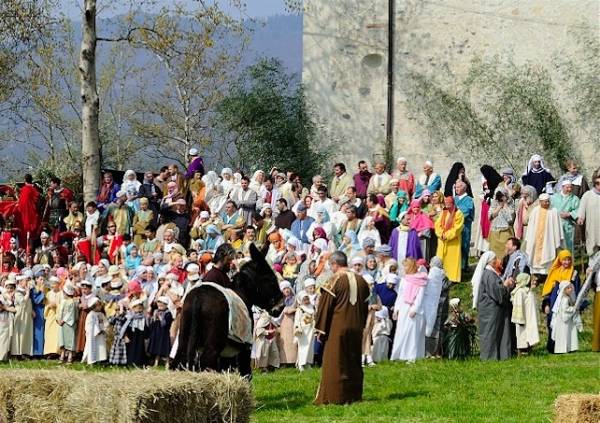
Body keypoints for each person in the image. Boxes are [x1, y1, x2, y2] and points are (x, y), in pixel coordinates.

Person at [314, 251, 370, 405]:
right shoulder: (362, 281)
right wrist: (361, 324)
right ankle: (353, 395)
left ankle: (334, 397)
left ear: (334, 264)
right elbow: (365, 306)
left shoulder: (334, 279)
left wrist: (320, 329)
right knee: (353, 360)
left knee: (335, 361)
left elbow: (325, 307)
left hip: (337, 328)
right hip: (357, 327)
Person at [472, 252, 514, 360]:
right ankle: (489, 357)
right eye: (495, 258)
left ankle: (499, 355)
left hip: (494, 310)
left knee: (496, 332)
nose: (497, 260)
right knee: (490, 333)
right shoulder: (489, 275)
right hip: (490, 310)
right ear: (491, 261)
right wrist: (506, 285)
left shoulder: (491, 274)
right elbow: (497, 293)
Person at [390, 258, 428, 362]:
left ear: (411, 266)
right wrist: (396, 309)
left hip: (414, 309)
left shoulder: (421, 279)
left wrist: (415, 309)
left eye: (406, 266)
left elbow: (420, 296)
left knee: (412, 332)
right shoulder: (404, 279)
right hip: (404, 307)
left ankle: (411, 356)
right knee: (402, 331)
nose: (404, 268)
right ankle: (399, 355)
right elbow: (400, 295)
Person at [524, 193, 563, 275]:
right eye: (545, 202)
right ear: (540, 202)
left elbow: (557, 226)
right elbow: (531, 226)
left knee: (548, 253)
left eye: (548, 201)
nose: (547, 203)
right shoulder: (535, 211)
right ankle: (535, 276)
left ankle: (548, 275)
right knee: (534, 254)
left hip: (549, 238)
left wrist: (558, 238)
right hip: (536, 239)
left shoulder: (553, 211)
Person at [434, 197, 464, 283]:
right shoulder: (444, 212)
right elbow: (437, 224)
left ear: (453, 204)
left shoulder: (458, 213)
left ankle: (452, 278)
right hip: (442, 240)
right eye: (446, 204)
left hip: (452, 241)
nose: (447, 206)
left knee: (452, 260)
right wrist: (440, 234)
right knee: (441, 259)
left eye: (449, 204)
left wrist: (447, 235)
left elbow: (457, 228)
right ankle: (440, 276)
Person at [510, 273, 539, 354]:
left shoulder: (526, 291)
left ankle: (529, 348)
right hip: (522, 318)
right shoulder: (519, 292)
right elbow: (518, 305)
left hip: (528, 316)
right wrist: (519, 318)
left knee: (528, 333)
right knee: (521, 335)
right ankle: (521, 350)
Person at [550, 281, 581, 354]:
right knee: (564, 334)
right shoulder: (564, 299)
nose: (570, 289)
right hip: (563, 321)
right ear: (564, 289)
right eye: (568, 288)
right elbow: (565, 309)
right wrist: (573, 308)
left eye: (571, 288)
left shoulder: (567, 297)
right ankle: (562, 348)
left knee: (568, 333)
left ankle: (569, 347)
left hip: (566, 320)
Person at [551, 180, 580, 255]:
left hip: (568, 225)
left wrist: (569, 214)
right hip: (556, 224)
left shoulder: (575, 199)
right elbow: (550, 209)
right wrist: (557, 214)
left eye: (571, 187)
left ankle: (569, 264)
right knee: (557, 245)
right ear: (562, 187)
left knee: (568, 245)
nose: (569, 189)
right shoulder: (554, 197)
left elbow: (578, 210)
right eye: (567, 187)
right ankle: (557, 264)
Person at [487, 189, 515, 261]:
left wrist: (505, 204)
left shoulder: (510, 204)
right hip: (495, 232)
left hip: (505, 232)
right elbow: (490, 217)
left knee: (506, 253)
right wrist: (499, 207)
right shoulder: (494, 204)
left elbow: (510, 219)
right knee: (494, 254)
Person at [577, 174, 600, 256]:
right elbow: (582, 208)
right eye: (597, 183)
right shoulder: (588, 195)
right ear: (594, 184)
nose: (599, 185)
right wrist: (580, 218)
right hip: (592, 227)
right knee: (593, 249)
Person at [454, 181, 475, 271]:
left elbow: (466, 211)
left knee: (464, 244)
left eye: (458, 187)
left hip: (464, 226)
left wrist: (456, 213)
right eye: (456, 187)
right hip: (454, 226)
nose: (456, 189)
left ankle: (463, 266)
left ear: (464, 188)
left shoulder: (468, 199)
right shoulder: (455, 198)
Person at [147, 296, 173, 366]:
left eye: (162, 304)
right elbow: (152, 323)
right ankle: (156, 363)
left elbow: (165, 324)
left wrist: (160, 317)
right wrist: (153, 318)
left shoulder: (168, 313)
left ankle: (167, 364)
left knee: (165, 348)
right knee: (157, 347)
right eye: (159, 303)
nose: (160, 305)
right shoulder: (156, 311)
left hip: (164, 333)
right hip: (156, 332)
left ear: (166, 304)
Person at [293, 291, 315, 371]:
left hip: (311, 330)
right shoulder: (300, 309)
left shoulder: (312, 307)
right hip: (303, 331)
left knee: (310, 348)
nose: (306, 301)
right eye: (304, 299)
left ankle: (308, 363)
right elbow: (297, 320)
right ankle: (301, 364)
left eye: (307, 299)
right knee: (303, 347)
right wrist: (297, 328)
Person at [17, 174, 41, 246]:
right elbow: (37, 198)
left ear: (25, 180)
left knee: (27, 231)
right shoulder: (34, 189)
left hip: (26, 213)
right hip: (32, 212)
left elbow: (21, 203)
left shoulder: (24, 189)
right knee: (31, 231)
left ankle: (29, 248)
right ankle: (30, 248)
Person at [82, 297, 107, 365]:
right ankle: (92, 360)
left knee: (101, 347)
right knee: (92, 347)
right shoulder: (91, 315)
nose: (100, 307)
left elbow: (105, 322)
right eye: (98, 305)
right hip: (93, 335)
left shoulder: (101, 314)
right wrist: (97, 331)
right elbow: (89, 326)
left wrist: (104, 329)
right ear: (94, 306)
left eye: (100, 305)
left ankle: (101, 360)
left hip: (101, 334)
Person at [57, 283, 78, 363]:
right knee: (62, 339)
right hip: (62, 323)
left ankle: (70, 356)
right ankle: (62, 354)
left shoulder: (72, 302)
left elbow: (70, 313)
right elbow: (60, 311)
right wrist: (59, 319)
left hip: (68, 323)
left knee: (70, 339)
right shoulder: (63, 301)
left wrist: (63, 320)